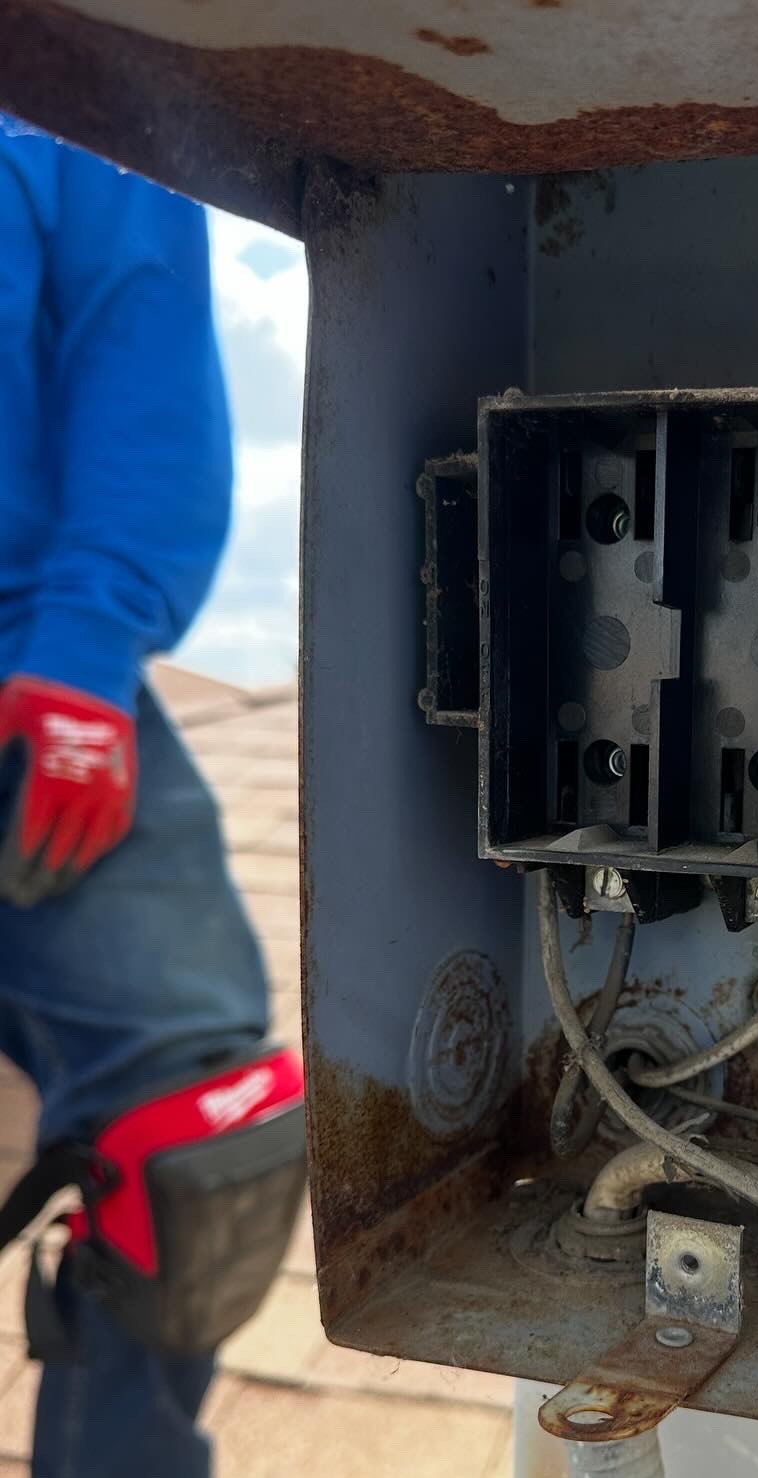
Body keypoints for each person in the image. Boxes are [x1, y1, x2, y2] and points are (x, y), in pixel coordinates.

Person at [0, 117, 305, 1478]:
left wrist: (84, 647)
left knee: (206, 1139)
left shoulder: (50, 83)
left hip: (27, 660)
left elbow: (143, 335)